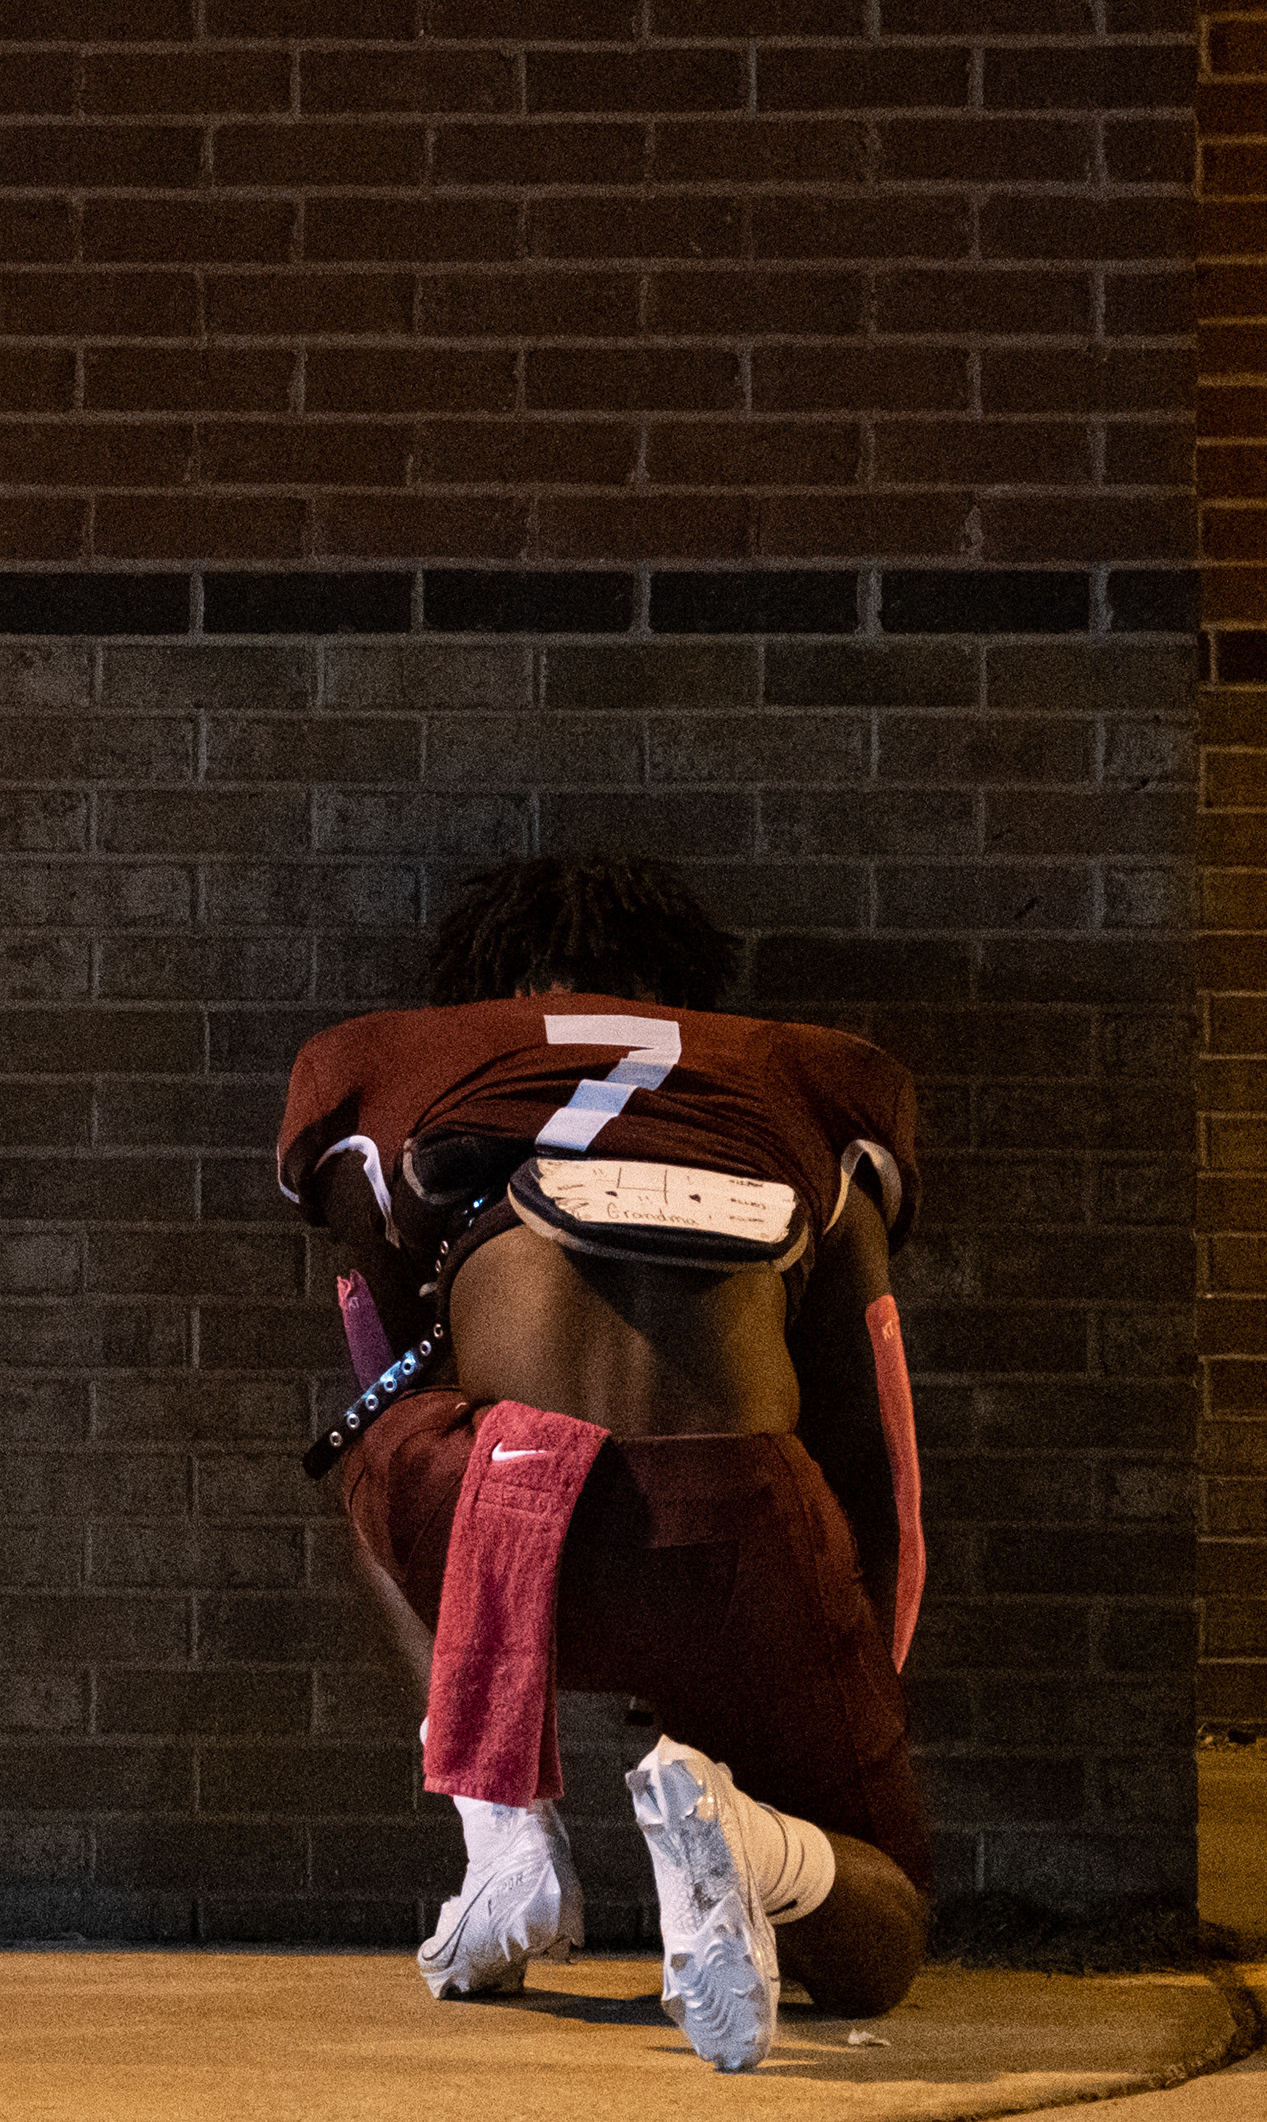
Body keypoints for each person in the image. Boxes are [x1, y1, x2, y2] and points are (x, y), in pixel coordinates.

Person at [276, 853, 932, 2072]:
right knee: (880, 1924)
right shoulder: (805, 1080)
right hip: (745, 1525)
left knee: (381, 1446)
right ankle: (745, 1836)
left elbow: (375, 1356)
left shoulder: (387, 1064)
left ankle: (501, 1823)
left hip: (510, 1513)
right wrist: (848, 1676)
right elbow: (868, 1436)